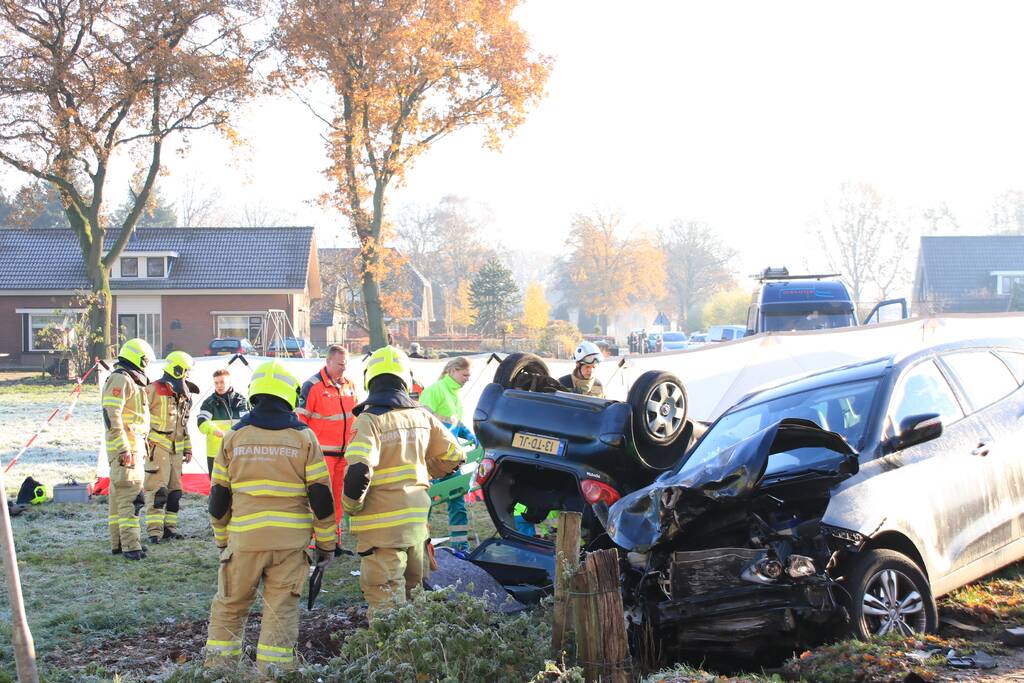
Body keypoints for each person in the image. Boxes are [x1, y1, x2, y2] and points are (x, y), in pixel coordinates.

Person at [204, 360, 336, 674]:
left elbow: (219, 499)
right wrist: (327, 546)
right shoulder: (305, 438)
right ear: (290, 396)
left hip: (245, 542)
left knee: (230, 607)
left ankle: (219, 673)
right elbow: (321, 499)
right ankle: (273, 675)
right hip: (290, 546)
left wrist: (223, 541)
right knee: (281, 611)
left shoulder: (233, 437)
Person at [342, 346, 464, 615]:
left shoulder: (369, 420)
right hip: (416, 528)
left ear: (369, 379)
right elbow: (455, 454)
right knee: (415, 602)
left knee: (388, 609)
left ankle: (393, 658)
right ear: (405, 379)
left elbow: (359, 470)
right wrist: (425, 471)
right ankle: (419, 657)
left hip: (382, 533)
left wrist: (350, 506)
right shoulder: (422, 416)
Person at [297, 344, 358, 550]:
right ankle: (317, 542)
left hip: (344, 455)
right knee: (320, 499)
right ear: (328, 361)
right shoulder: (312, 386)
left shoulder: (350, 384)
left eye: (346, 364)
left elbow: (355, 418)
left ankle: (335, 541)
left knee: (339, 500)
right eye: (340, 364)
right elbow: (300, 421)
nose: (344, 368)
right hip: (321, 455)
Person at [102, 338, 155, 561]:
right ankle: (131, 546)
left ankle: (118, 544)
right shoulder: (121, 379)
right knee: (131, 499)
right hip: (128, 450)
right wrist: (124, 448)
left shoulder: (128, 379)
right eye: (145, 361)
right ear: (137, 358)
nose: (146, 365)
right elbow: (111, 415)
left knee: (118, 499)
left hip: (130, 448)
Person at [419, 357, 476, 552]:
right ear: (453, 370)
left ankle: (460, 545)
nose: (467, 379)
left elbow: (454, 424)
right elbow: (424, 419)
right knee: (425, 502)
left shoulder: (454, 395)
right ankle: (419, 543)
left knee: (457, 500)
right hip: (434, 459)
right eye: (465, 374)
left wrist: (467, 433)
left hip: (451, 459)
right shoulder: (435, 390)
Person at [143, 350, 195, 544]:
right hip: (158, 449)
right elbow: (140, 414)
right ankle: (154, 532)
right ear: (178, 369)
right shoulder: (154, 389)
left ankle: (169, 530)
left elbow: (183, 424)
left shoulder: (183, 394)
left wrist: (188, 447)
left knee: (175, 493)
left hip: (176, 451)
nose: (188, 376)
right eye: (186, 371)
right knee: (158, 492)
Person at [197, 368, 249, 476]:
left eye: (222, 382)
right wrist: (214, 430)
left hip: (237, 451)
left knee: (237, 485)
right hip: (215, 453)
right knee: (217, 488)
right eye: (216, 383)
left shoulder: (241, 401)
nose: (219, 385)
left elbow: (247, 423)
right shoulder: (209, 403)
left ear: (229, 382)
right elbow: (201, 422)